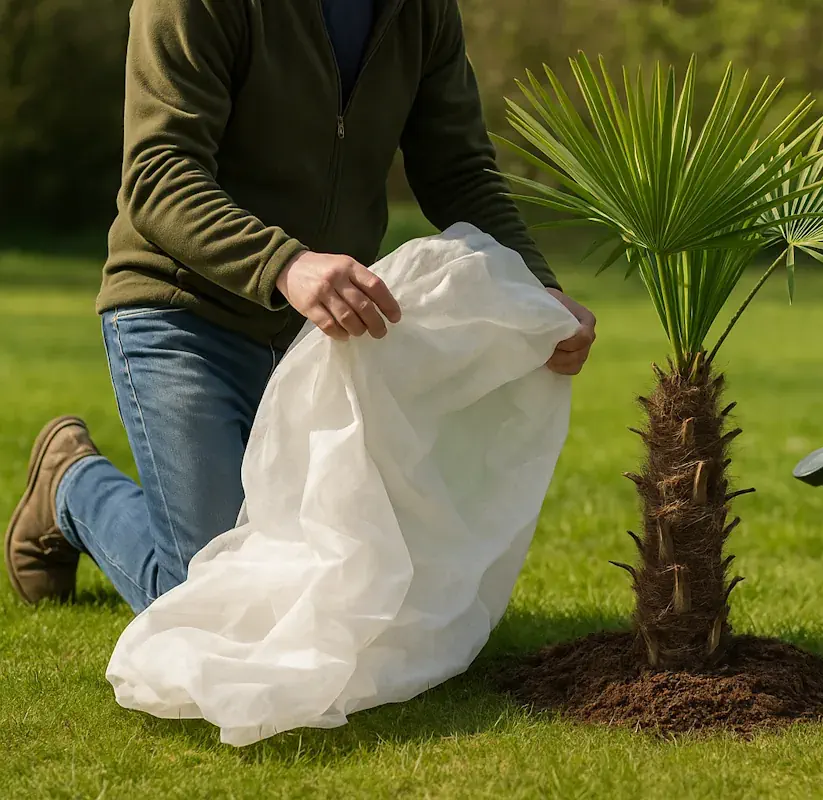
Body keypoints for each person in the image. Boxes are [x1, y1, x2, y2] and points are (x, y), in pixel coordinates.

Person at [4, 0, 596, 612]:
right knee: (212, 595)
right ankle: (72, 485)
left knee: (343, 589)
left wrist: (537, 287)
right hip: (182, 310)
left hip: (317, 333)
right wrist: (285, 263)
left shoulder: (421, 10)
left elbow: (459, 170)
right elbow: (159, 173)